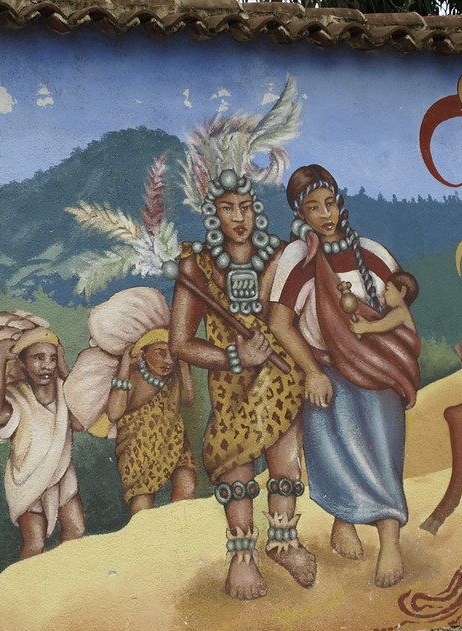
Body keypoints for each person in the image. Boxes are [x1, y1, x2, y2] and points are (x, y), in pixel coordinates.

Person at [269, 164, 421, 588]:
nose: (325, 214)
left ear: (341, 204)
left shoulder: (373, 253)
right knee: (332, 452)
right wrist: (312, 372)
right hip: (327, 373)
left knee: (383, 453)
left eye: (330, 203)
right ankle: (344, 519)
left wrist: (381, 348)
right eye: (313, 207)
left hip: (377, 370)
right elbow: (280, 322)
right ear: (300, 214)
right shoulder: (298, 260)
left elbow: (399, 310)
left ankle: (389, 539)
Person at [169, 168, 316, 600]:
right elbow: (179, 343)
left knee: (285, 456)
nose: (240, 217)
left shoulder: (277, 256)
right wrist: (233, 357)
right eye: (228, 208)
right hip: (230, 384)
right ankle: (242, 555)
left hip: (280, 374)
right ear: (213, 214)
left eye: (247, 207)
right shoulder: (197, 268)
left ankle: (284, 541)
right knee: (235, 458)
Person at [0, 328, 86, 560]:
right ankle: (28, 591)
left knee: (76, 530)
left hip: (61, 474)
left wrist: (64, 366)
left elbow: (80, 420)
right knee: (35, 543)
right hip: (27, 478)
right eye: (38, 358)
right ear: (22, 364)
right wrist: (0, 362)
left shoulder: (65, 392)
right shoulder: (16, 396)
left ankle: (67, 581)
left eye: (52, 358)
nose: (47, 365)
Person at [104, 329, 198, 515]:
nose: (168, 361)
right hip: (138, 449)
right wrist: (124, 367)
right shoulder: (133, 376)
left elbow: (188, 399)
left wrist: (184, 364)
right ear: (144, 353)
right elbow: (114, 414)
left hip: (174, 441)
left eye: (173, 354)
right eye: (159, 352)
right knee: (142, 505)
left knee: (186, 488)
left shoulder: (173, 376)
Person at [350, 270, 419, 336]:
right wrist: (366, 324)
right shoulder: (402, 312)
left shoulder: (401, 311)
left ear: (402, 291)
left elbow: (382, 325)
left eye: (387, 289)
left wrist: (364, 327)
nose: (383, 293)